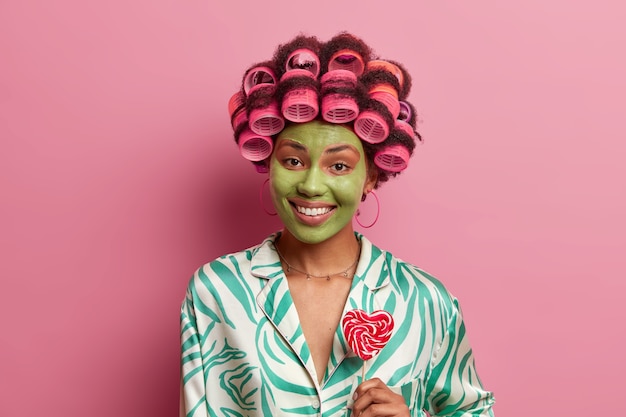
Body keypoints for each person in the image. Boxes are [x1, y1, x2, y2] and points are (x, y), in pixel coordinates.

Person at [180, 32, 495, 416]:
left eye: (340, 165)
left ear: (371, 176)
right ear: (268, 163)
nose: (312, 185)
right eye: (293, 160)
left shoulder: (425, 301)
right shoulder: (217, 291)